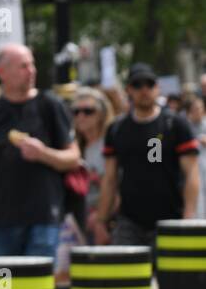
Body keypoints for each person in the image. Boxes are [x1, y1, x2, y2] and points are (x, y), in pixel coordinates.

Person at [0, 44, 80, 260]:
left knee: (38, 287)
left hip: (45, 216)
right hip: (4, 218)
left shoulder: (50, 105)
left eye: (32, 64)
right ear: (3, 72)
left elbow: (73, 158)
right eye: (23, 66)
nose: (31, 71)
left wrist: (43, 153)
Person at [93, 64, 200, 247]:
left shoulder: (174, 125)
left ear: (157, 87)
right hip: (129, 221)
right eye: (137, 85)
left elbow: (191, 174)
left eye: (149, 84)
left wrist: (188, 218)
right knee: (126, 275)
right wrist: (101, 220)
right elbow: (110, 179)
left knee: (169, 276)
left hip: (169, 219)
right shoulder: (117, 129)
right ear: (128, 90)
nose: (144, 90)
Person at [71, 87, 113, 239]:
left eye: (88, 111)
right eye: (76, 112)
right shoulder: (73, 148)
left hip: (107, 223)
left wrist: (100, 218)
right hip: (77, 224)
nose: (81, 116)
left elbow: (117, 187)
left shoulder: (110, 145)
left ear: (101, 114)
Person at [185, 95, 206, 217]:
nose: (199, 111)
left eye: (200, 108)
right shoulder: (185, 127)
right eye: (195, 108)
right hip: (194, 170)